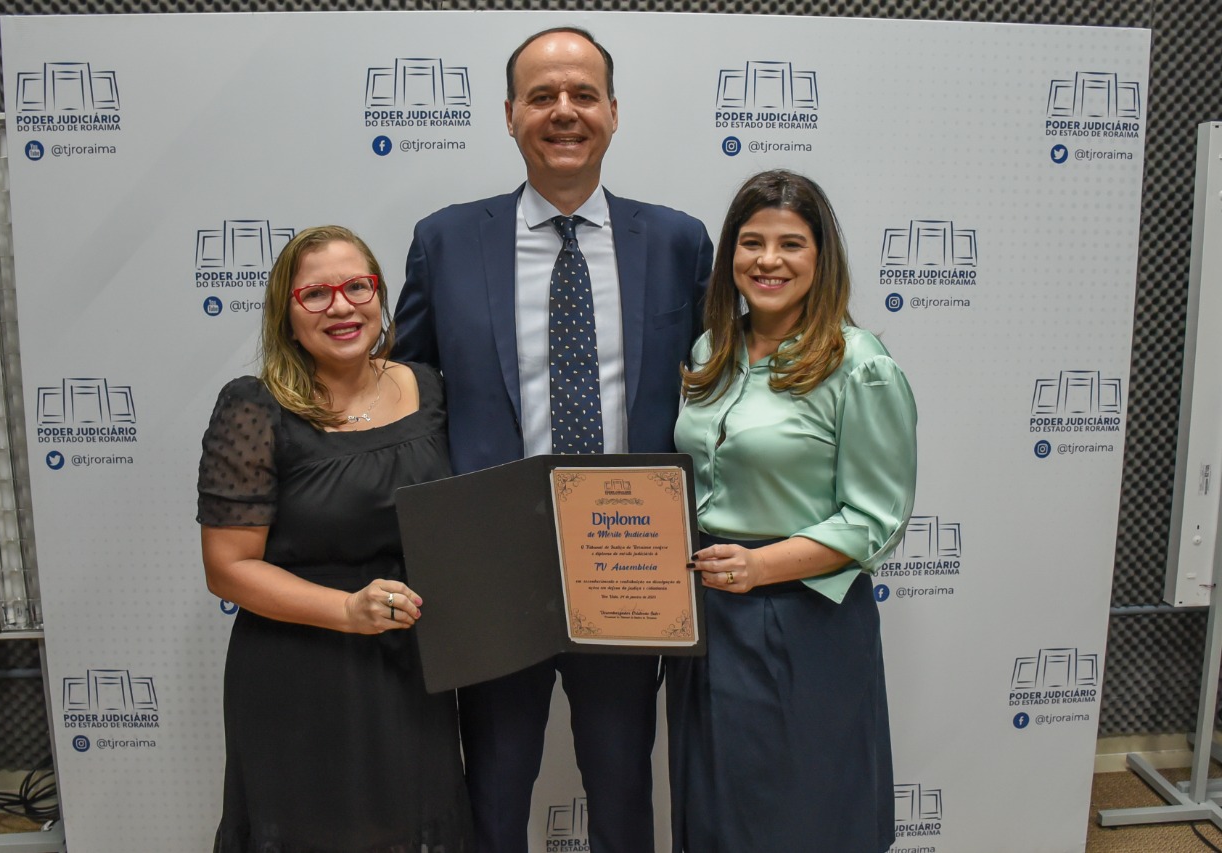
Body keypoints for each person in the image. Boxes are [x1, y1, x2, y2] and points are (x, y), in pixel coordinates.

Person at [393, 26, 712, 853]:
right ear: (508, 115)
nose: (563, 112)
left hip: (632, 562)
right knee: (493, 793)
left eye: (581, 95)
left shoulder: (678, 242)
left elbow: (721, 386)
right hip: (493, 569)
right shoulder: (446, 241)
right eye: (541, 96)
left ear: (613, 112)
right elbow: (407, 396)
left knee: (624, 788)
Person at [197, 225, 473, 852]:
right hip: (300, 670)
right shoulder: (254, 408)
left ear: (381, 296)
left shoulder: (430, 389)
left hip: (410, 665)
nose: (342, 307)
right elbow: (228, 568)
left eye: (357, 287)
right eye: (315, 295)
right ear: (285, 313)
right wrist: (348, 611)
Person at [667, 170, 918, 853]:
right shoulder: (709, 353)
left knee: (800, 812)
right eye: (751, 242)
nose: (768, 260)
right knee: (713, 806)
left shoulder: (858, 364)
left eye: (790, 243)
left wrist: (759, 566)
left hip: (802, 615)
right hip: (708, 612)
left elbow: (876, 517)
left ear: (821, 256)